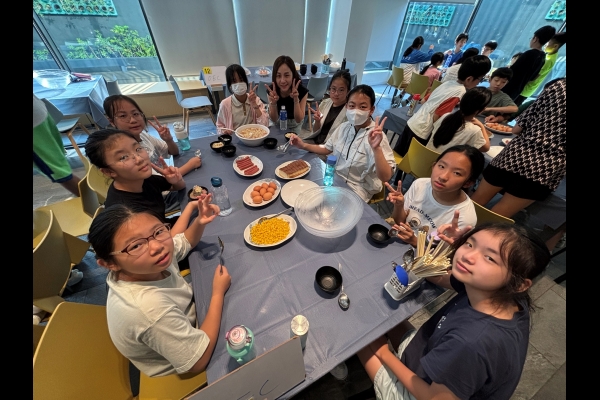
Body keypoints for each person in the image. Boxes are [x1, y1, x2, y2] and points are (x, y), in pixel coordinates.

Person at [357, 221, 551, 400]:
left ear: (520, 284)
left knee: (358, 332)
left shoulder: (472, 342)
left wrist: (384, 354)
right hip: (429, 353)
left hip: (424, 393)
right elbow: (436, 275)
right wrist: (443, 249)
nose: (468, 256)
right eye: (470, 244)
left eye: (490, 258)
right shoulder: (500, 293)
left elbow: (432, 397)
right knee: (383, 314)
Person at [87, 198, 231, 378]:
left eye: (158, 231)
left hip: (181, 323)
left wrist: (199, 221)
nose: (157, 246)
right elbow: (198, 361)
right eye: (136, 246)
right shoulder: (148, 309)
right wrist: (217, 293)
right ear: (109, 264)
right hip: (186, 360)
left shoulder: (147, 262)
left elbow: (184, 241)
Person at [471, 78, 566, 218]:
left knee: (474, 203)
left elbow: (517, 129)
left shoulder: (559, 86)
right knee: (498, 215)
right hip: (546, 166)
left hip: (515, 153)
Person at [289, 85, 396, 202]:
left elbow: (386, 176)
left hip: (358, 190)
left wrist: (377, 149)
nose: (356, 111)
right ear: (346, 107)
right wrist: (303, 145)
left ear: (371, 110)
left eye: (362, 107)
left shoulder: (377, 136)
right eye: (352, 106)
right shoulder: (344, 127)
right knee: (304, 194)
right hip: (335, 179)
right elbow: (327, 148)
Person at [84, 129, 188, 233]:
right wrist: (190, 209)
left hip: (163, 228)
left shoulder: (142, 179)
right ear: (108, 171)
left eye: (138, 149)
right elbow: (163, 240)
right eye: (123, 157)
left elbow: (178, 187)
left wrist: (175, 180)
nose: (139, 159)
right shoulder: (126, 213)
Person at [393, 55, 492, 158]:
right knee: (410, 161)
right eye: (480, 79)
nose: (479, 82)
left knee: (398, 156)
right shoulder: (460, 91)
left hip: (413, 122)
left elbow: (423, 100)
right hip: (422, 132)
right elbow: (438, 116)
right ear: (469, 79)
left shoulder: (448, 83)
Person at [387, 145, 483, 245]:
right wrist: (399, 206)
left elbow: (444, 253)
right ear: (434, 166)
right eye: (441, 166)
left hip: (423, 253)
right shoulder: (420, 184)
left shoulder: (465, 218)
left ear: (468, 183)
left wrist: (414, 241)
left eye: (457, 173)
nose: (443, 176)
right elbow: (399, 222)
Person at [103, 94, 202, 177]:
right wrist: (191, 164)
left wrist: (168, 140)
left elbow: (174, 152)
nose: (133, 120)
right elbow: (160, 183)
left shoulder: (143, 135)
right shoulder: (126, 152)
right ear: (111, 121)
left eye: (135, 114)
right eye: (123, 116)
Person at [33, 94, 82, 197]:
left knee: (60, 173)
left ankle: (104, 202)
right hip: (39, 111)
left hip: (35, 125)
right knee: (60, 167)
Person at [426, 88, 492, 153]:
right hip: (444, 160)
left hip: (425, 156)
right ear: (482, 109)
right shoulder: (474, 130)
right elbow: (486, 148)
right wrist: (482, 126)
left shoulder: (445, 116)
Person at [501, 25, 557, 103]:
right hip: (517, 91)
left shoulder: (529, 54)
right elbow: (533, 78)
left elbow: (511, 72)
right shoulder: (543, 57)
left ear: (535, 39)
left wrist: (510, 67)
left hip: (507, 88)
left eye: (532, 38)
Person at [302, 70, 352, 145]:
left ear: (348, 91)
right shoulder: (325, 103)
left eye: (341, 90)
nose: (336, 93)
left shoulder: (349, 112)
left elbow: (342, 142)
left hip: (331, 148)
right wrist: (317, 121)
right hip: (316, 142)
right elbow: (315, 132)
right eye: (333, 89)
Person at [216, 64, 269, 133]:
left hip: (254, 136)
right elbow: (220, 127)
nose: (239, 83)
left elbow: (265, 125)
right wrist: (224, 132)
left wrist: (255, 105)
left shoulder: (255, 100)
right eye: (234, 81)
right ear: (230, 85)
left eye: (241, 80)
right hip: (235, 137)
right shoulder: (225, 104)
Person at [518, 32, 566, 104]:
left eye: (547, 43)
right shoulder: (550, 54)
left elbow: (535, 76)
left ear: (555, 46)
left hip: (525, 90)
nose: (545, 44)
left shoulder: (549, 60)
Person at [265, 55, 309, 135]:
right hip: (276, 123)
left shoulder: (302, 91)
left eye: (287, 75)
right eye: (278, 76)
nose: (282, 80)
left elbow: (298, 119)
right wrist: (273, 103)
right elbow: (274, 119)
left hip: (294, 125)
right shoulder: (271, 91)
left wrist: (296, 100)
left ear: (293, 75)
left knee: (292, 142)